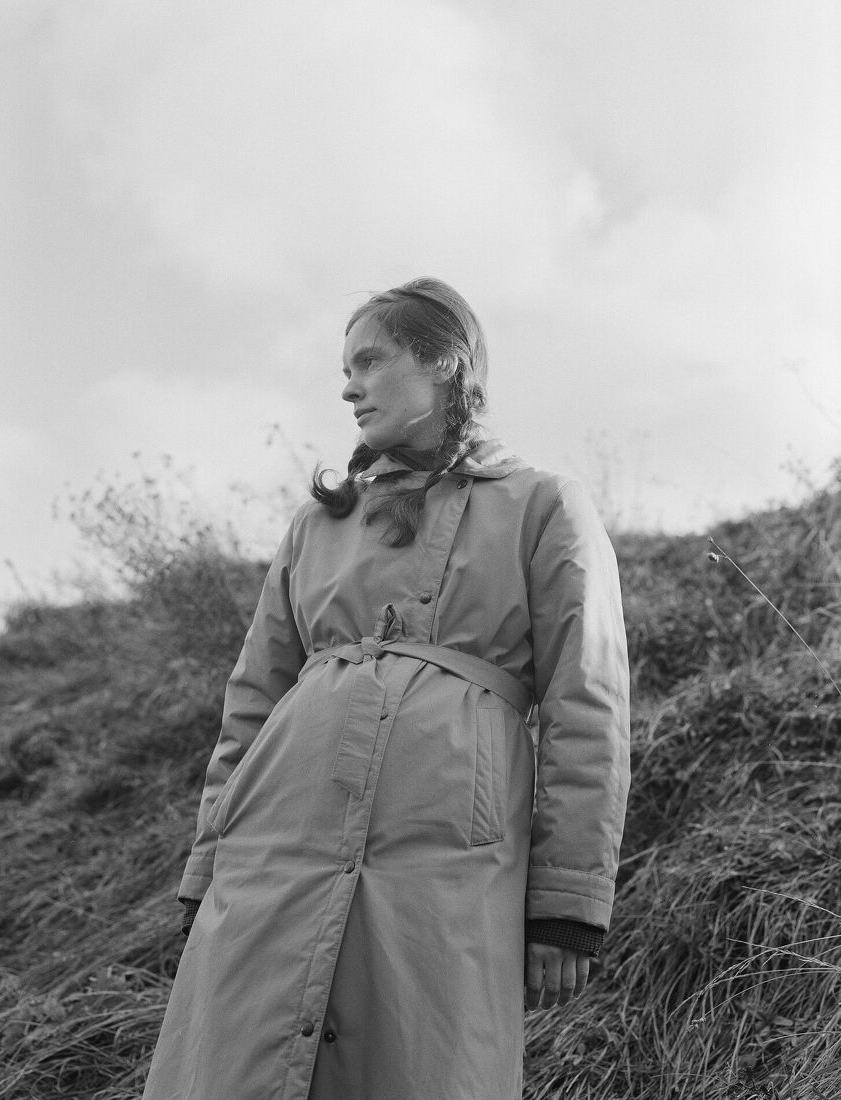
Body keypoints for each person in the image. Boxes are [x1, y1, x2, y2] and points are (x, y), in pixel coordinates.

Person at [142, 277, 630, 1100]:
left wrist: (566, 900)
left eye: (369, 361)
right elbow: (251, 705)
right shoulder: (317, 525)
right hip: (274, 851)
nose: (348, 386)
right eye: (345, 369)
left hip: (449, 860)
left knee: (421, 1060)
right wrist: (210, 865)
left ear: (445, 364)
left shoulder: (544, 506)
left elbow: (589, 704)